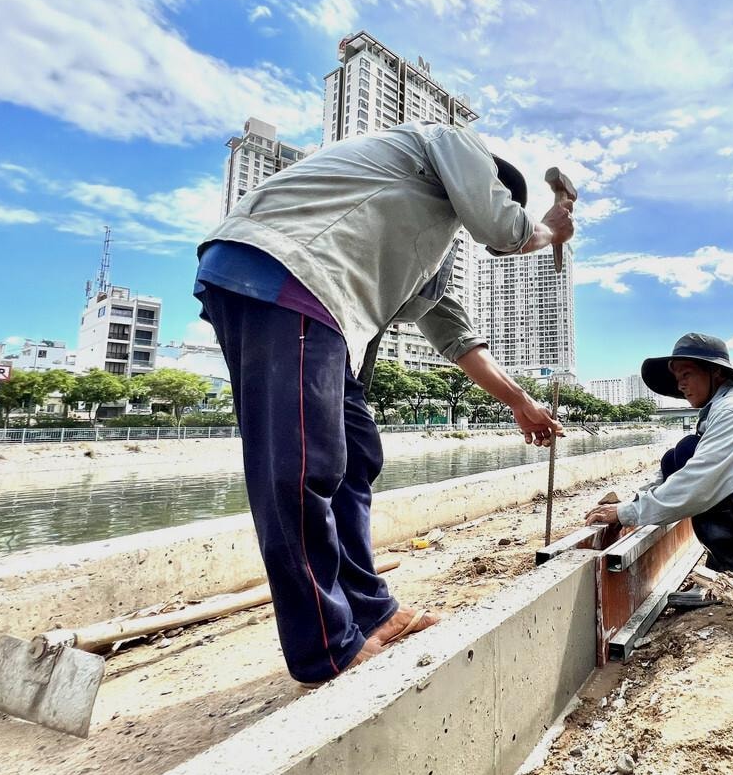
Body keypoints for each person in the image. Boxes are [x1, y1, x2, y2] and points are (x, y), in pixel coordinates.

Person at [194, 121, 573, 686]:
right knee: (301, 469)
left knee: (356, 453)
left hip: (324, 309)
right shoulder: (453, 142)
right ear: (485, 184)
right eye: (492, 203)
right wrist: (547, 227)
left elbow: (455, 334)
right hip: (286, 271)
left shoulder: (426, 238)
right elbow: (508, 228)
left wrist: (520, 402)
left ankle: (371, 611)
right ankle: (326, 647)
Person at [585, 333, 733, 591]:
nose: (680, 385)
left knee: (690, 455)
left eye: (686, 375)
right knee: (677, 456)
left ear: (716, 373)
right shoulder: (724, 409)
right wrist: (634, 502)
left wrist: (627, 514)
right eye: (678, 379)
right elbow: (683, 471)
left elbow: (699, 482)